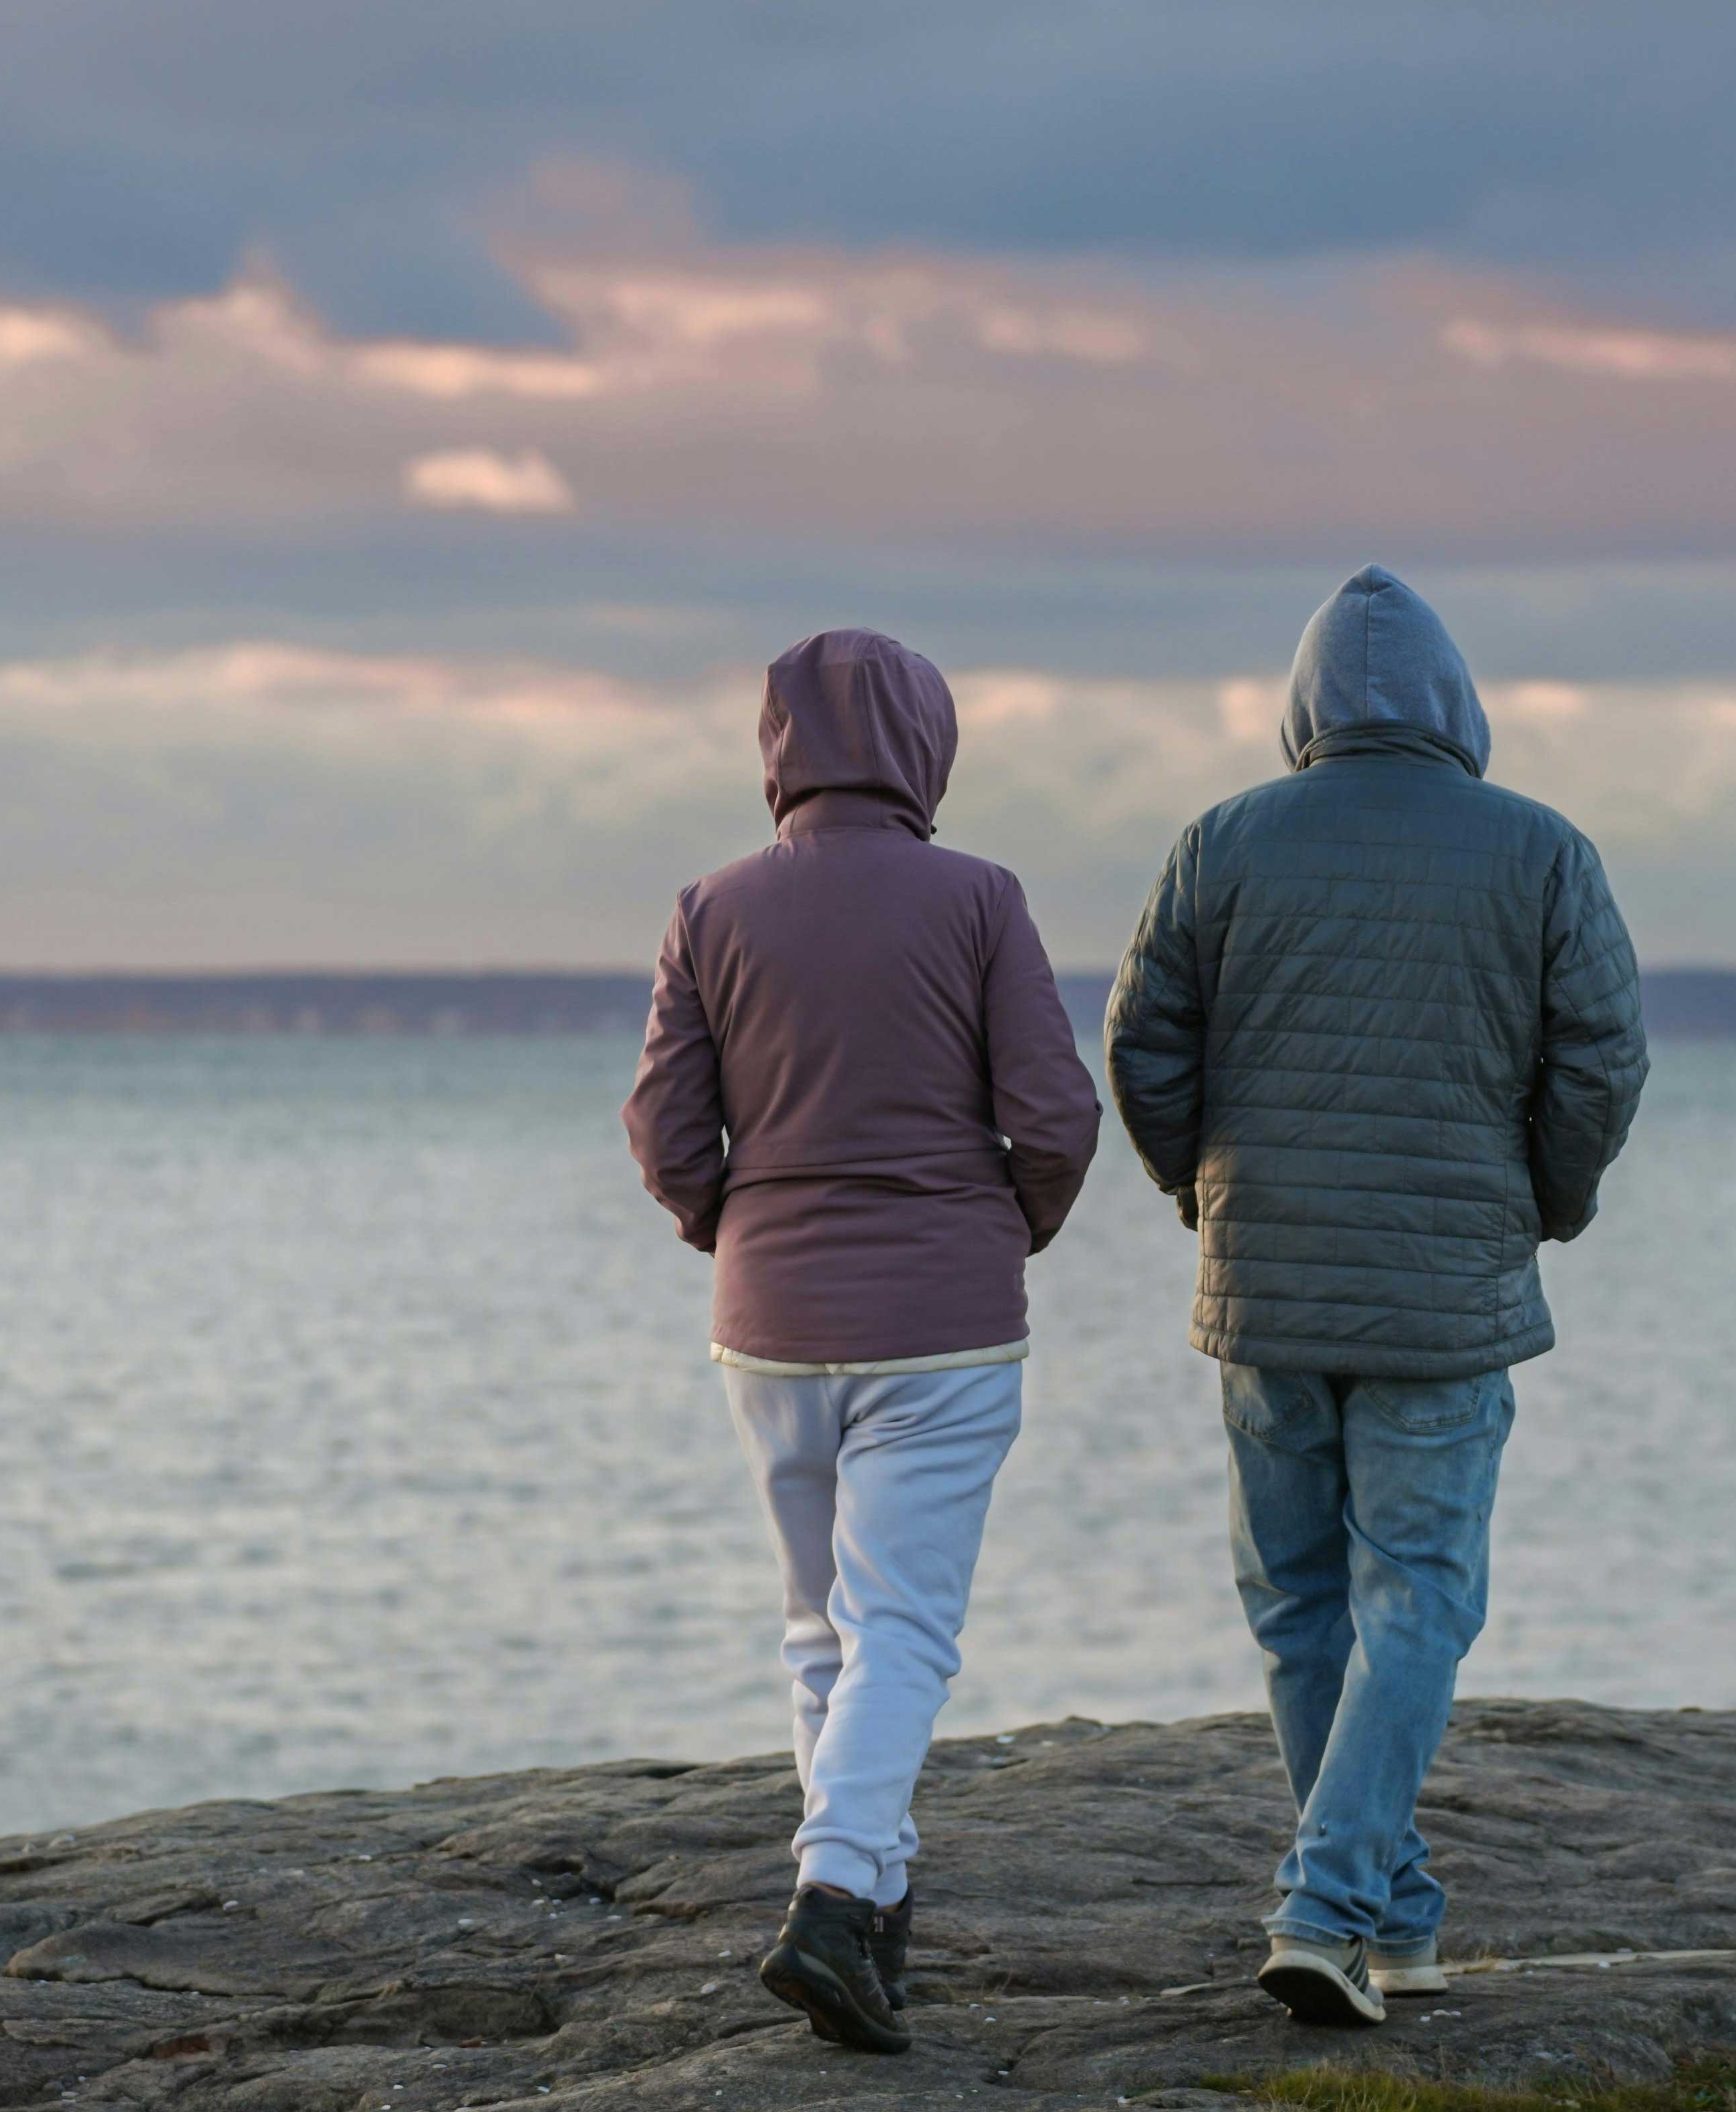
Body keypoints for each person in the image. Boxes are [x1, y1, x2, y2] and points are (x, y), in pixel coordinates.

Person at [1105, 565, 1648, 2026]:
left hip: (1266, 1284)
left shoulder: (1220, 843)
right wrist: (1543, 1203)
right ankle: (1336, 1904)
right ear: (1459, 706)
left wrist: (1200, 1190)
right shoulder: (1541, 850)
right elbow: (1603, 1061)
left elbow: (1140, 1043)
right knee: (1416, 1596)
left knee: (1298, 1604)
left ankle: (1385, 1912)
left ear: (1303, 710)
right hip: (1442, 1292)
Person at [621, 627, 1100, 2055]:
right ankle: (833, 1894)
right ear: (924, 742)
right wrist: (1003, 1226)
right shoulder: (981, 899)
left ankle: (873, 1919)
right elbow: (1058, 1116)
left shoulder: (710, 906)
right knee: (901, 1624)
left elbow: (662, 1128)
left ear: (778, 749)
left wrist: (731, 1224)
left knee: (817, 1624)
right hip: (941, 1319)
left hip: (766, 1323)